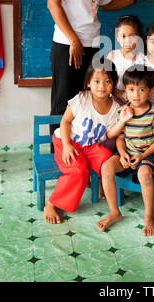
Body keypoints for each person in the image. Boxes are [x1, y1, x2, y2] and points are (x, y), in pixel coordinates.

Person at [47, 0, 154, 138]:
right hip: (67, 46)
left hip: (92, 45)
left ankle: (84, 151)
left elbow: (107, 4)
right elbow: (52, 2)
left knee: (89, 99)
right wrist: (74, 41)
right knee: (64, 100)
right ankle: (59, 153)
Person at [44, 56, 133, 224]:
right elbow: (65, 121)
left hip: (89, 148)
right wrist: (67, 145)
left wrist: (122, 120)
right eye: (97, 81)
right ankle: (52, 203)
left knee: (106, 156)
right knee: (78, 171)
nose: (102, 86)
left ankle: (100, 181)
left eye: (107, 81)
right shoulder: (82, 99)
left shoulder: (115, 108)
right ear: (88, 83)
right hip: (67, 142)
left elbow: (110, 134)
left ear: (113, 84)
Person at [97, 65, 154, 236]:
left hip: (149, 156)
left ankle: (148, 215)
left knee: (144, 174)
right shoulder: (124, 111)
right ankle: (114, 212)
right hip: (128, 153)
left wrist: (142, 155)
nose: (136, 95)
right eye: (131, 89)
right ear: (125, 90)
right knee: (106, 167)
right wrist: (122, 154)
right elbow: (120, 137)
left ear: (150, 91)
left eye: (141, 90)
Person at [107, 14, 143, 104]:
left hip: (136, 101)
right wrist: (115, 92)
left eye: (132, 36)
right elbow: (106, 78)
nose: (127, 40)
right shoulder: (112, 56)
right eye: (123, 36)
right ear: (117, 38)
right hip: (113, 100)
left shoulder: (143, 58)